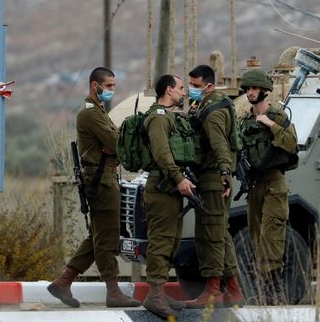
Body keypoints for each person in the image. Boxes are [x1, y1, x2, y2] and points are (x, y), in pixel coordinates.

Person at [47, 67, 140, 308]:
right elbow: (116, 142)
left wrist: (115, 143)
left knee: (98, 236)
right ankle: (113, 292)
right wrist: (115, 144)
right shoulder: (90, 113)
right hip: (101, 180)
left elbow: (116, 140)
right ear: (94, 85)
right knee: (107, 237)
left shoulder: (98, 111)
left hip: (103, 178)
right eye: (108, 86)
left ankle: (63, 282)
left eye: (113, 86)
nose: (111, 90)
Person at [185, 64, 244, 308]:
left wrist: (224, 175)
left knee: (209, 235)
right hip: (209, 178)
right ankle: (233, 290)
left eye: (196, 86)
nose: (192, 90)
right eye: (190, 85)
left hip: (212, 180)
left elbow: (220, 145)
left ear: (209, 86)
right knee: (220, 233)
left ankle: (212, 290)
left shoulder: (214, 112)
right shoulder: (208, 105)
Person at [238, 68, 298, 304]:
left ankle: (275, 293)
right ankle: (262, 292)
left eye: (254, 89)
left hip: (274, 183)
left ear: (264, 90)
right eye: (247, 89)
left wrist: (270, 124)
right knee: (255, 239)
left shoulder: (278, 116)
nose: (250, 93)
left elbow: (292, 143)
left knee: (271, 238)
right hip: (254, 185)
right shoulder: (244, 119)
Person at [142, 74, 195, 319]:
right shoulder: (158, 118)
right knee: (161, 241)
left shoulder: (168, 117)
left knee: (171, 242)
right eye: (181, 89)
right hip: (162, 187)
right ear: (169, 90)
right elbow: (163, 155)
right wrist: (179, 178)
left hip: (169, 188)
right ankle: (154, 296)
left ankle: (160, 293)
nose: (184, 93)